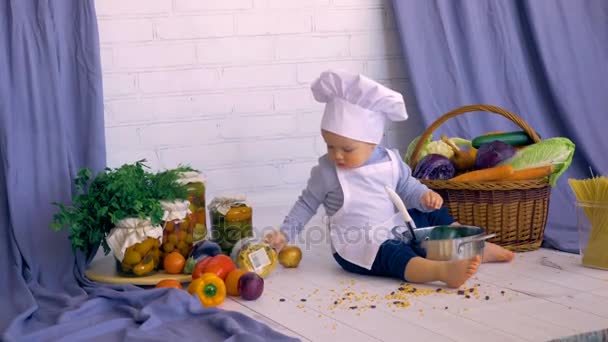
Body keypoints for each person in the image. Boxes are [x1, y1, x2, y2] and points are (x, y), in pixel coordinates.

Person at [264, 70, 510, 288]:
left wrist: (424, 196)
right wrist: (284, 234)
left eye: (347, 149)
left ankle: (471, 246)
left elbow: (407, 186)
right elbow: (306, 204)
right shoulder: (327, 171)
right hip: (359, 243)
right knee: (394, 254)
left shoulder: (391, 160)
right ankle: (442, 271)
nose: (336, 155)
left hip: (394, 225)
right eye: (330, 146)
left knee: (431, 213)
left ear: (373, 141)